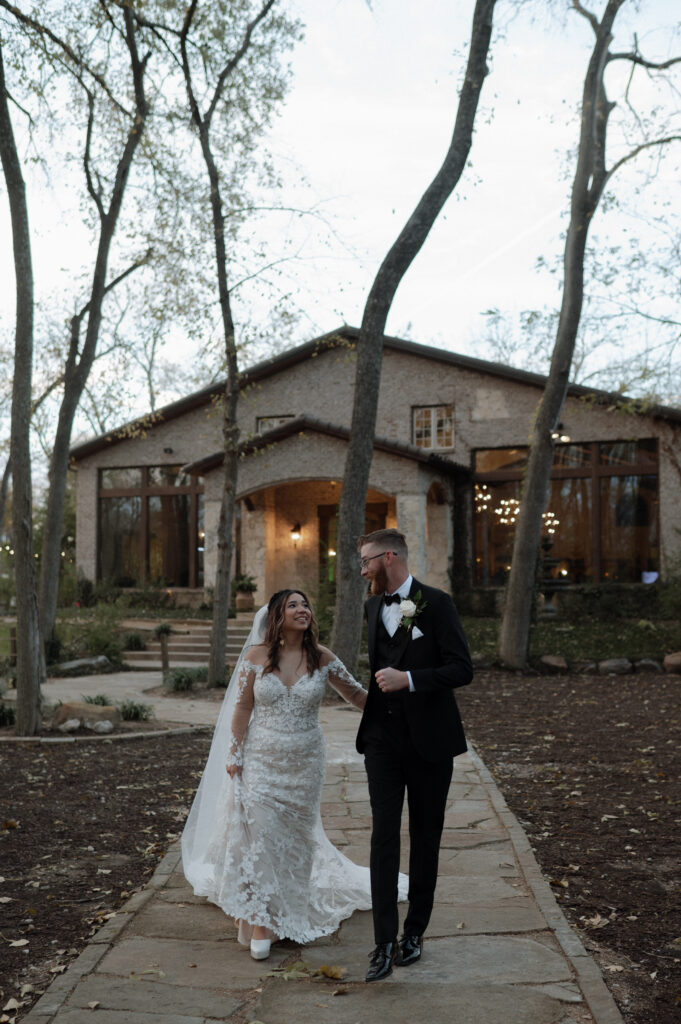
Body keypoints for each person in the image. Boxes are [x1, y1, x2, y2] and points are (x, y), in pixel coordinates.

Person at [182, 588, 406, 961]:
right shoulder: (256, 658)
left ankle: (289, 910)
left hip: (304, 764)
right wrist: (234, 753)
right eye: (293, 605)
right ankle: (260, 922)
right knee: (261, 839)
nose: (303, 609)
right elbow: (241, 708)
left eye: (306, 604)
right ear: (276, 616)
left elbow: (358, 696)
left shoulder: (323, 658)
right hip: (261, 760)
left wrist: (400, 703)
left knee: (296, 841)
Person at [356, 528, 473, 982]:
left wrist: (411, 679)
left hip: (430, 742)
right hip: (382, 742)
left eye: (366, 560)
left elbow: (462, 668)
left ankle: (414, 933)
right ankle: (382, 942)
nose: (362, 569)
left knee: (426, 838)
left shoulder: (437, 603)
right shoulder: (371, 607)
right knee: (383, 836)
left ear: (389, 558)